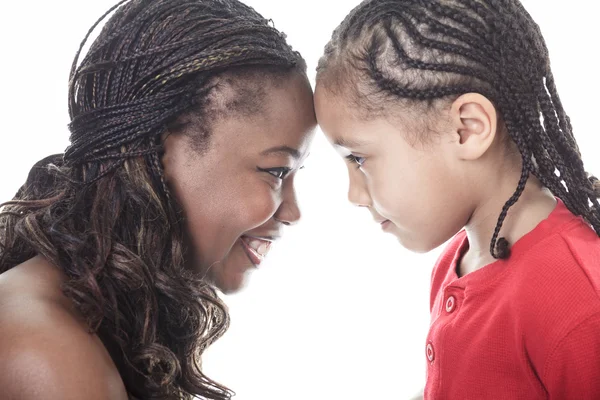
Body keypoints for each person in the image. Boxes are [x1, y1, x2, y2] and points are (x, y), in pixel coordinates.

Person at [0, 0, 316, 399]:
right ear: (160, 152)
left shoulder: (107, 317)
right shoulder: (47, 352)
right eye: (275, 171)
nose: (294, 212)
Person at [315, 0, 600, 398]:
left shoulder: (579, 302)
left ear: (466, 129)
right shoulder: (456, 261)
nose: (353, 194)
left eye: (359, 159)